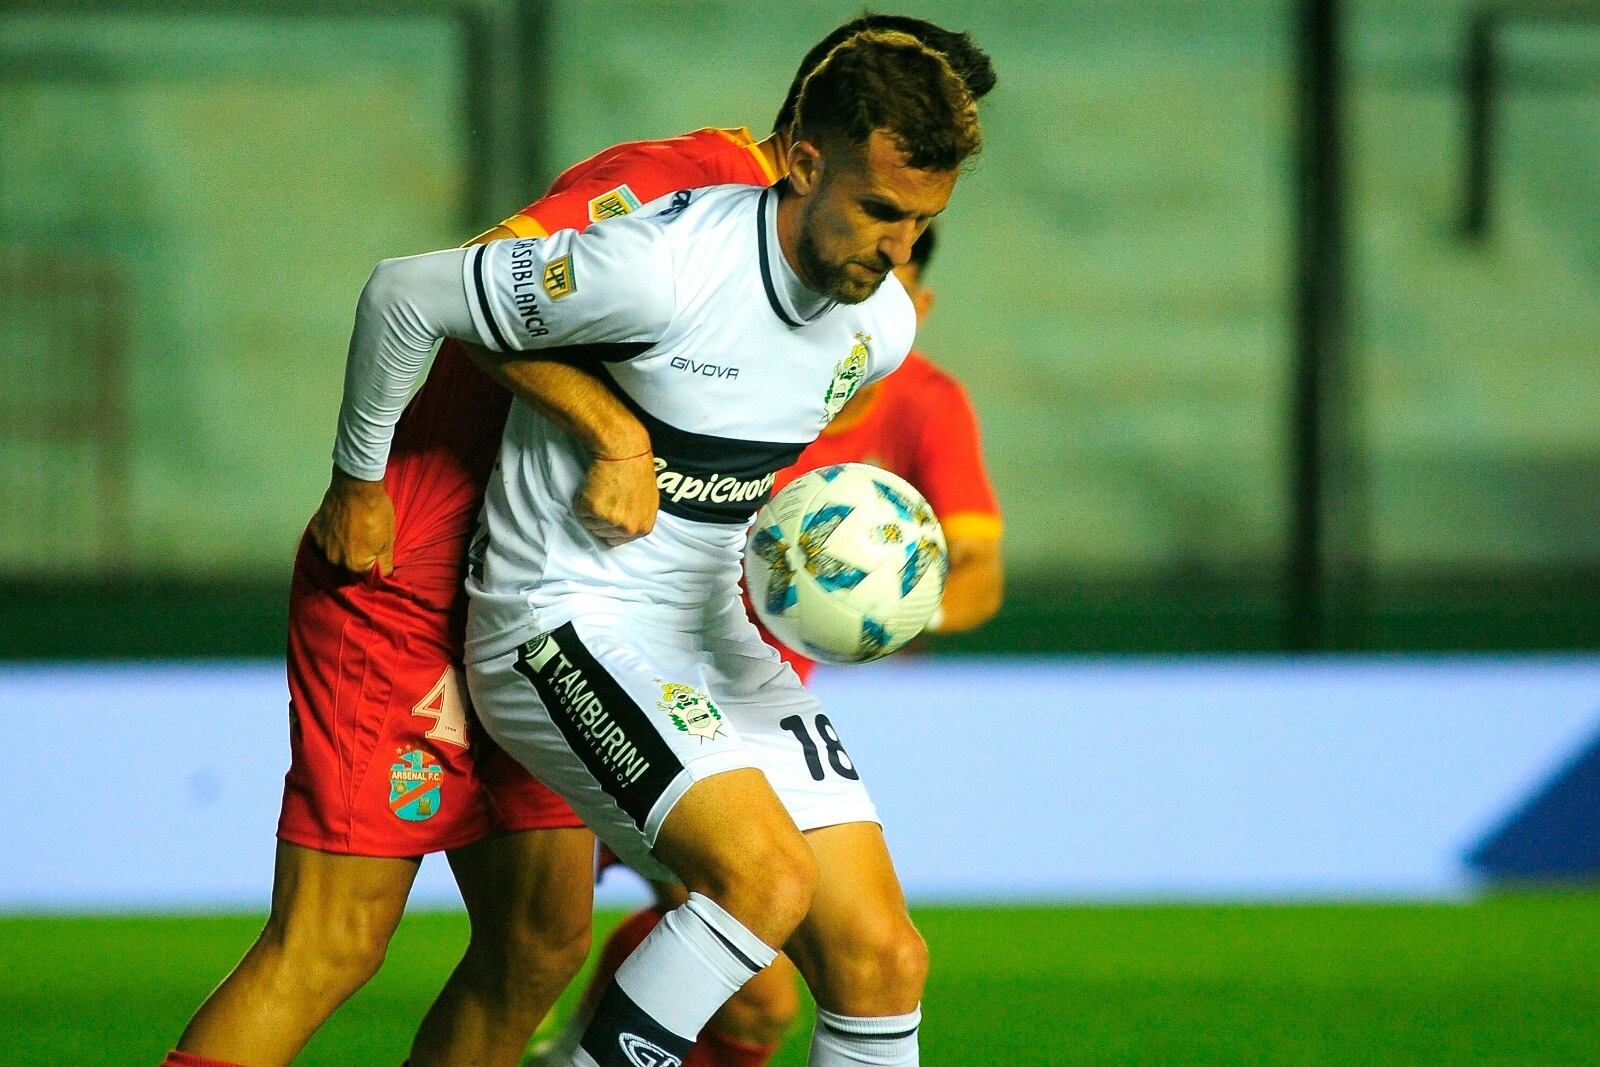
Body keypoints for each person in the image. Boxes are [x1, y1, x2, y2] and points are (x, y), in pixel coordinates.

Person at [161, 16, 995, 1067]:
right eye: (882, 207)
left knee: (583, 946)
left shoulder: (874, 322)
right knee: (334, 941)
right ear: (807, 149)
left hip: (667, 625)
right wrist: (393, 474)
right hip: (489, 594)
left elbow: (738, 448)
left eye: (921, 218)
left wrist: (802, 564)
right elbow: (435, 288)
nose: (899, 246)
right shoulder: (671, 223)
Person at [555, 221, 1005, 1067]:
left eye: (892, 288)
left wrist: (889, 611)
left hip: (747, 715)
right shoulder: (750, 372)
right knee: (525, 950)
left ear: (921, 306)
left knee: (782, 991)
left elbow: (978, 569)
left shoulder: (927, 404)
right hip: (625, 674)